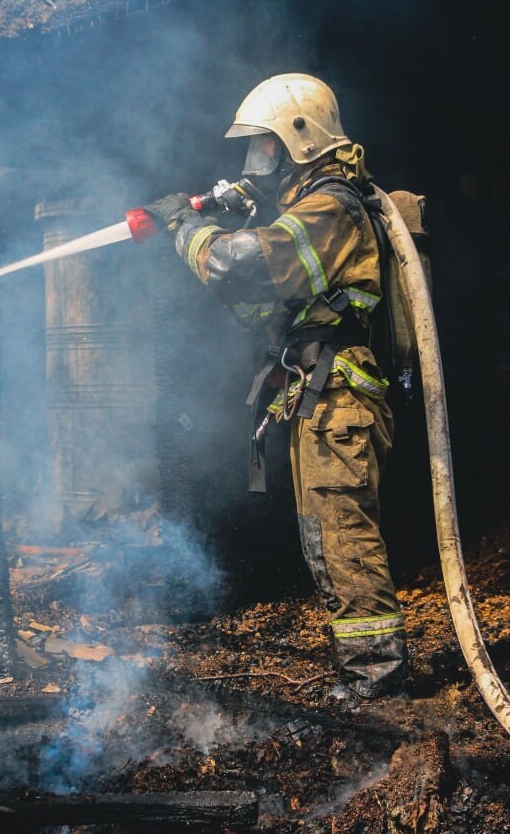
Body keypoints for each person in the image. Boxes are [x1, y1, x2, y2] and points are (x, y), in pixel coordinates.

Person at [143, 73, 409, 704]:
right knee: (325, 533)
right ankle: (364, 671)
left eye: (260, 149)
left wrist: (188, 228)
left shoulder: (332, 206)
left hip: (341, 398)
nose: (252, 164)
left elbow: (239, 269)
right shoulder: (304, 212)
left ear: (299, 139)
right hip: (320, 397)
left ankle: (378, 678)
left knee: (342, 533)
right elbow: (264, 307)